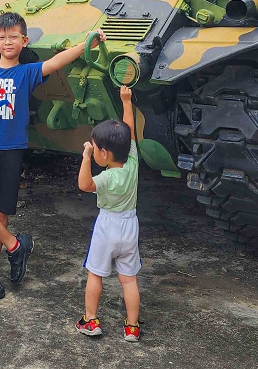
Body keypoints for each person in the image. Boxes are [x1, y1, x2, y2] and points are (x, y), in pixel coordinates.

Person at [0, 12, 105, 300]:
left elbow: (57, 62)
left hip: (11, 149)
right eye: (2, 37)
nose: (7, 41)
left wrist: (86, 44)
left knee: (0, 212)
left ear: (24, 41)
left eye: (13, 36)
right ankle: (16, 246)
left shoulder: (26, 73)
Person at [75, 85, 141, 343]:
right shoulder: (132, 162)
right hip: (130, 225)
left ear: (103, 153)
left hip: (107, 226)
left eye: (95, 147)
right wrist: (127, 102)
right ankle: (132, 327)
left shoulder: (106, 177)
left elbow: (84, 185)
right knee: (128, 280)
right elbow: (130, 132)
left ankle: (90, 320)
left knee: (95, 274)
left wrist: (85, 158)